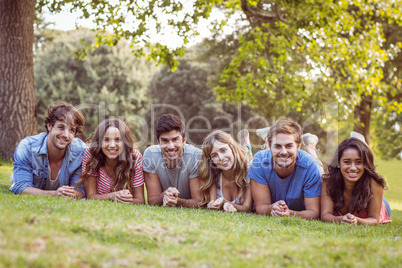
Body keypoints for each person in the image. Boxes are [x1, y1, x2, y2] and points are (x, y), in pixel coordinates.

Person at [248, 119, 322, 219]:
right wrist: (271, 208)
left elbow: (314, 212)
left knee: (319, 167)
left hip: (310, 163)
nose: (283, 151)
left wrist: (290, 213)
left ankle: (310, 145)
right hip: (266, 158)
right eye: (277, 146)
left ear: (298, 146)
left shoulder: (311, 167)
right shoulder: (259, 161)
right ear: (269, 147)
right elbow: (261, 207)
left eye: (289, 146)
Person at [9, 102, 86, 198]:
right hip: (30, 181)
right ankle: (15, 176)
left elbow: (80, 191)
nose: (65, 135)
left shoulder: (81, 152)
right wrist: (54, 194)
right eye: (61, 127)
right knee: (17, 180)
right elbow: (21, 187)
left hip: (56, 188)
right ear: (49, 126)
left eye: (71, 130)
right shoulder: (27, 146)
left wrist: (68, 193)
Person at [321, 138, 391, 224]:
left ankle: (362, 144)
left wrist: (357, 220)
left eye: (359, 162)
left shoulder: (374, 181)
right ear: (338, 163)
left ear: (365, 163)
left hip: (379, 205)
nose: (353, 168)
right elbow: (325, 215)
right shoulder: (329, 180)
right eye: (347, 162)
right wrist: (341, 219)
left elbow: (374, 219)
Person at [77, 118, 145, 204]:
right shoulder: (91, 155)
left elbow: (140, 200)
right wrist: (112, 196)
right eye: (106, 140)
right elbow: (90, 196)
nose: (112, 145)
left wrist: (124, 199)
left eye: (118, 139)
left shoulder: (135, 157)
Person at [143, 114, 202, 208]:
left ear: (184, 140)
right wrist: (164, 195)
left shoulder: (195, 156)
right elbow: (152, 200)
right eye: (165, 141)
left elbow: (199, 202)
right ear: (158, 142)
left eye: (175, 140)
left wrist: (178, 202)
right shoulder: (151, 155)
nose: (171, 146)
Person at [199, 130, 252, 212]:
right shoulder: (214, 176)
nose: (220, 158)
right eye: (214, 155)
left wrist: (225, 202)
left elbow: (247, 208)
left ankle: (246, 144)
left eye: (223, 150)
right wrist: (212, 205)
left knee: (247, 157)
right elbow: (212, 204)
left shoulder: (250, 171)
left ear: (232, 148)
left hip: (243, 163)